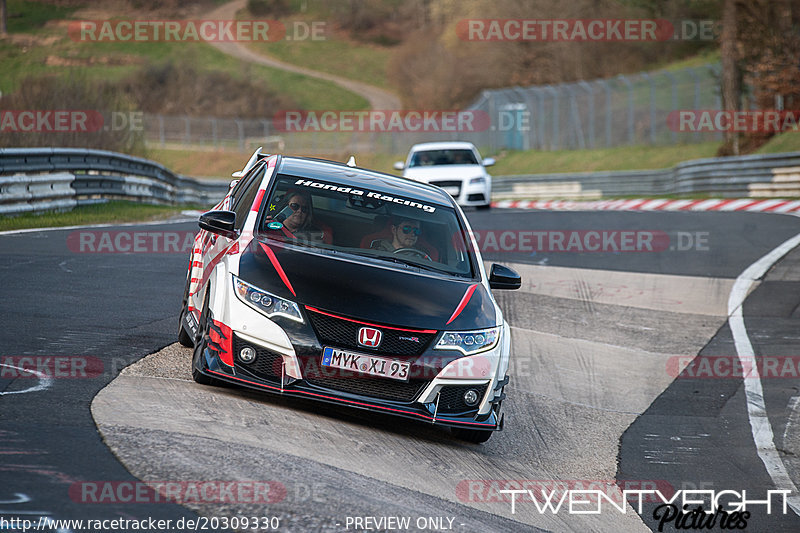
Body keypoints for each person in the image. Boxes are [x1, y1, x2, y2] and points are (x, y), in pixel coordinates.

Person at [266, 191, 332, 244]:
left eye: (304, 209)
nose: (299, 211)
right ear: (284, 207)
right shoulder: (269, 226)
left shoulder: (313, 235)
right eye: (294, 206)